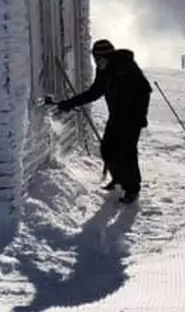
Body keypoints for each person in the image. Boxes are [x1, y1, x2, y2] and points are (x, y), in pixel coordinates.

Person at [49, 39, 152, 204]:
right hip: (117, 115)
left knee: (126, 152)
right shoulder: (104, 70)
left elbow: (146, 90)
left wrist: (140, 115)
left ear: (107, 56)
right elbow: (94, 92)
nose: (96, 62)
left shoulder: (126, 68)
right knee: (107, 149)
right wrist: (69, 104)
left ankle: (132, 188)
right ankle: (118, 178)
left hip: (131, 117)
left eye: (99, 58)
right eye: (95, 59)